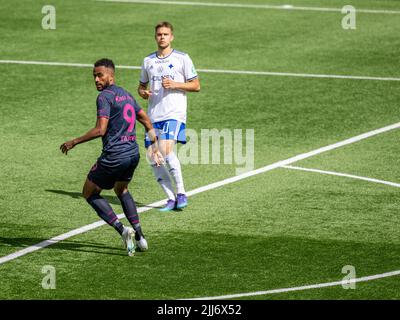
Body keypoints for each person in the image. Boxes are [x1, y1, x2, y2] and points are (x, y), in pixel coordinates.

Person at [60, 58, 162, 256]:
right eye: (94, 76)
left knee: (89, 192)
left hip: (115, 156)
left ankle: (123, 230)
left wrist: (73, 142)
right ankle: (140, 237)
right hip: (133, 154)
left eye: (100, 75)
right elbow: (146, 121)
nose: (96, 79)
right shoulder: (125, 94)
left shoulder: (104, 97)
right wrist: (155, 147)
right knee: (121, 190)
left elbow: (100, 129)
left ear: (111, 76)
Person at [138, 21, 201, 211]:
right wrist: (143, 93)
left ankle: (181, 192)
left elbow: (196, 85)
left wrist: (175, 84)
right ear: (155, 37)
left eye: (165, 34)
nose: (162, 37)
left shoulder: (183, 58)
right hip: (154, 115)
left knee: (164, 150)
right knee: (151, 156)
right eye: (159, 34)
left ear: (171, 37)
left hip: (174, 113)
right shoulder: (148, 61)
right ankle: (170, 198)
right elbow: (141, 87)